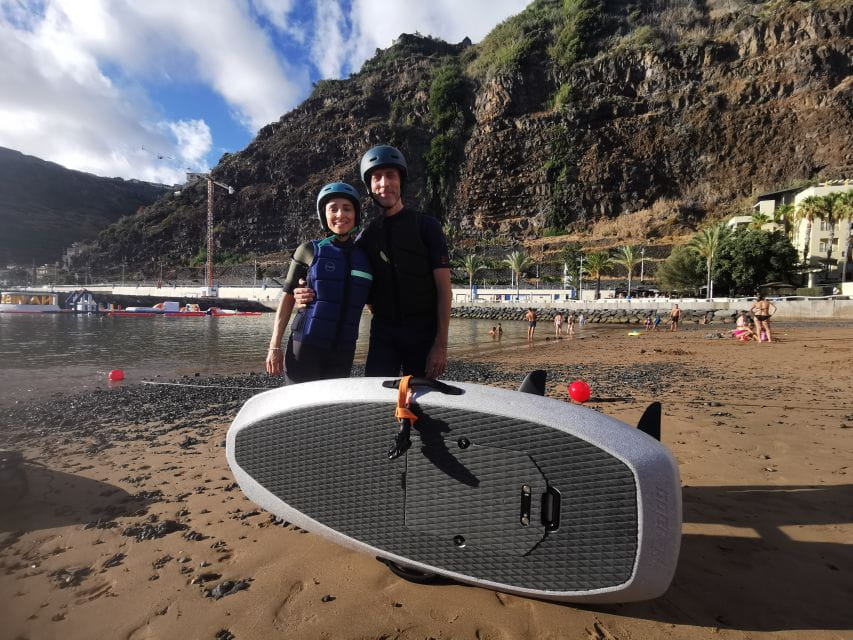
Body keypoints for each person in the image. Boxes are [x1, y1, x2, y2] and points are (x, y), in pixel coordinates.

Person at [294, 145, 451, 378]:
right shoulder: (366, 237)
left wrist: (440, 344)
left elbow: (444, 290)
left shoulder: (426, 226)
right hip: (383, 334)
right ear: (369, 187)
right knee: (378, 404)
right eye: (377, 177)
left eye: (391, 175)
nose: (384, 183)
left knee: (421, 404)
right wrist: (305, 292)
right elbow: (346, 281)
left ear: (401, 181)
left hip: (423, 333)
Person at [266, 182, 372, 383]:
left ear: (356, 215)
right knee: (298, 411)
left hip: (343, 352)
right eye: (333, 209)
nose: (340, 214)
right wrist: (274, 346)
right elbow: (288, 298)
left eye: (347, 208)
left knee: (331, 413)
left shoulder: (366, 258)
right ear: (324, 215)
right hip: (305, 347)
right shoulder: (308, 250)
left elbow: (372, 302)